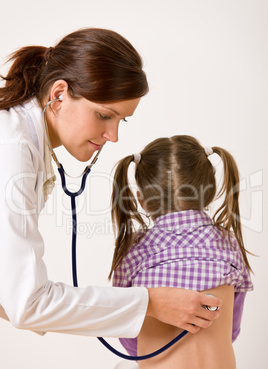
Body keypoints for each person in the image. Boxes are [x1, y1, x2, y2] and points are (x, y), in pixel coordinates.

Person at [0, 29, 221, 341]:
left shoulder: (19, 143)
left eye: (121, 120)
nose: (113, 136)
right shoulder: (11, 150)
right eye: (104, 115)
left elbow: (14, 295)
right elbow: (27, 305)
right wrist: (151, 303)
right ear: (59, 95)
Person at [107, 135, 253, 369]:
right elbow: (232, 329)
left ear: (140, 199)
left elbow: (129, 336)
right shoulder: (227, 241)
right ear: (209, 191)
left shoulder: (135, 249)